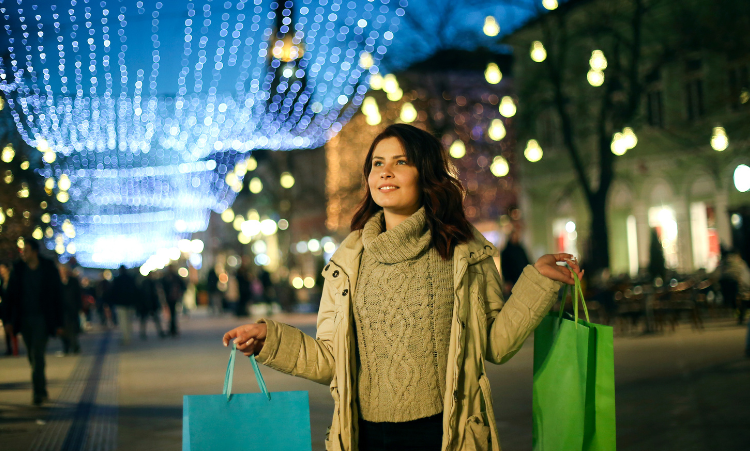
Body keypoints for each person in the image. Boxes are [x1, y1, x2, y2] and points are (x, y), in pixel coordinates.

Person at [223, 124, 582, 451]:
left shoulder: (464, 252)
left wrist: (539, 281)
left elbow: (495, 345)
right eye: (377, 163)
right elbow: (332, 361)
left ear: (425, 173)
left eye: (401, 162)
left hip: (445, 434)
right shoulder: (347, 262)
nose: (385, 172)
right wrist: (271, 340)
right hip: (365, 436)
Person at [2, 238, 64, 406]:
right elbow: (10, 296)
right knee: (32, 354)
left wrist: (59, 323)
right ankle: (41, 387)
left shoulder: (48, 268)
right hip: (24, 318)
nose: (23, 254)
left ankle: (38, 392)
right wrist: (7, 320)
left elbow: (58, 296)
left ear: (35, 252)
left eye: (26, 250)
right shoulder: (19, 269)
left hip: (42, 319)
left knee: (37, 354)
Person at [109, 265, 137, 345]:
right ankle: (129, 335)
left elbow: (113, 292)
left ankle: (126, 337)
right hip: (130, 303)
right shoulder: (130, 279)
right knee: (129, 320)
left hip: (120, 303)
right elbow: (135, 291)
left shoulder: (117, 280)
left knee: (123, 320)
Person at [500, 226, 531, 295]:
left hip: (524, 278)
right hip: (513, 280)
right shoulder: (506, 252)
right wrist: (507, 281)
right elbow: (504, 267)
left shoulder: (521, 249)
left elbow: (527, 262)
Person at [59, 264, 83, 354]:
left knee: (72, 328)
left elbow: (78, 295)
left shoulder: (73, 281)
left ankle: (75, 346)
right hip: (61, 310)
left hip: (72, 309)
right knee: (63, 329)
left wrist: (79, 307)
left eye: (64, 270)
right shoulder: (57, 281)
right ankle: (66, 347)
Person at [0, 262, 18, 356]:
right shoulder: (2, 281)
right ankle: (9, 348)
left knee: (13, 328)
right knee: (6, 329)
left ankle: (15, 349)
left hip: (12, 308)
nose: (1, 271)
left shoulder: (12, 280)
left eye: (3, 269)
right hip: (4, 309)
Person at [136, 273, 165, 339]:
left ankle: (143, 333)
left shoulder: (145, 283)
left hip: (147, 305)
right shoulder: (150, 283)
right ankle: (158, 332)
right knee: (152, 319)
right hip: (149, 304)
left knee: (146, 320)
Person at [161, 267, 186, 336]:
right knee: (172, 313)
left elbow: (182, 285)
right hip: (169, 297)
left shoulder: (174, 278)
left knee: (173, 313)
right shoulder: (167, 278)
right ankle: (172, 328)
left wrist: (180, 293)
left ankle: (173, 328)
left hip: (173, 297)